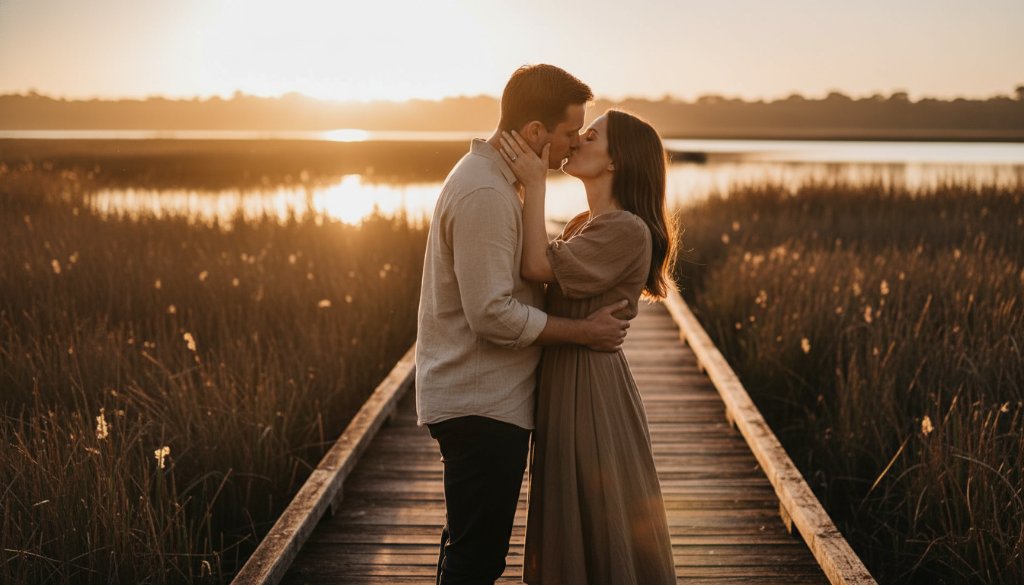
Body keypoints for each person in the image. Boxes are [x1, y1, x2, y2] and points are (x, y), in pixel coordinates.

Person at [415, 64, 633, 585]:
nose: (573, 143)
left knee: (467, 546)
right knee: (477, 559)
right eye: (568, 132)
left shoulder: (496, 182)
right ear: (535, 131)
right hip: (480, 404)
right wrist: (584, 332)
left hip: (485, 399)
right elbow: (491, 313)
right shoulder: (487, 194)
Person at [498, 109, 678, 584]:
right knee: (570, 512)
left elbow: (536, 266)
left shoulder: (626, 229)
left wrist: (535, 183)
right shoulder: (585, 222)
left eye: (591, 135)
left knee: (596, 516)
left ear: (616, 160)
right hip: (566, 380)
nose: (576, 140)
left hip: (590, 390)